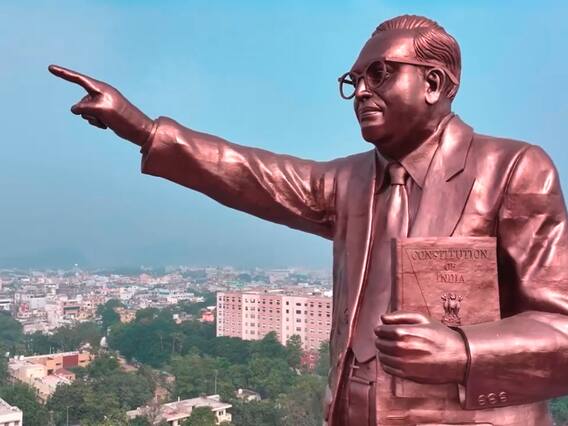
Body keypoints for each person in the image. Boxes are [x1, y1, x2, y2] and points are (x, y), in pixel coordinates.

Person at [49, 14, 568, 426]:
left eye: (379, 74)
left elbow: (560, 328)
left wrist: (462, 350)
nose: (361, 91)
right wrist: (143, 130)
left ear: (433, 82)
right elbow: (250, 174)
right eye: (354, 81)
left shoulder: (511, 169)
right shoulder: (349, 182)